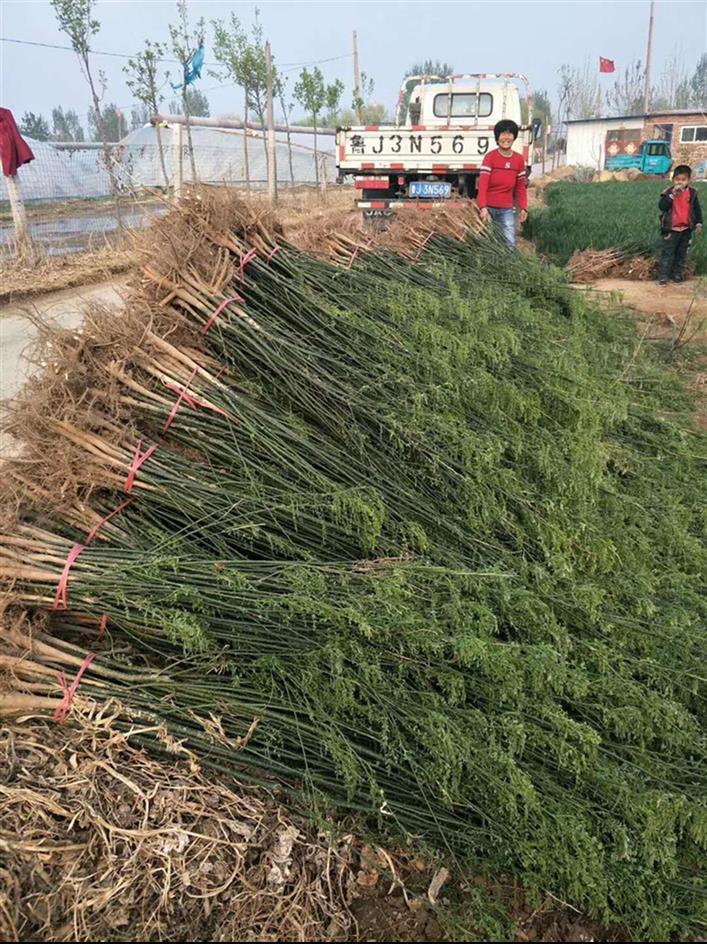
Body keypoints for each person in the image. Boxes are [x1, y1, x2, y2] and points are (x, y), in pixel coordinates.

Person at [476, 119, 528, 249]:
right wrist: (483, 207)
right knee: (488, 244)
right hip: (488, 208)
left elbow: (520, 187)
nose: (506, 137)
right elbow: (483, 185)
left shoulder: (518, 160)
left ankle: (509, 267)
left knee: (509, 243)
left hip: (506, 209)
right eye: (503, 134)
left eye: (509, 134)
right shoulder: (490, 157)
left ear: (514, 137)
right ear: (497, 137)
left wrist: (523, 207)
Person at [657, 164, 703, 285]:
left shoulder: (692, 193)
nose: (680, 182)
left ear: (688, 180)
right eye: (677, 179)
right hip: (671, 229)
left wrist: (699, 223)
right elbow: (662, 207)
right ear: (673, 180)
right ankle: (663, 276)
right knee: (667, 253)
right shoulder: (668, 193)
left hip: (686, 229)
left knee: (681, 253)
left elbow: (697, 209)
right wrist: (672, 195)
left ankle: (677, 274)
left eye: (683, 180)